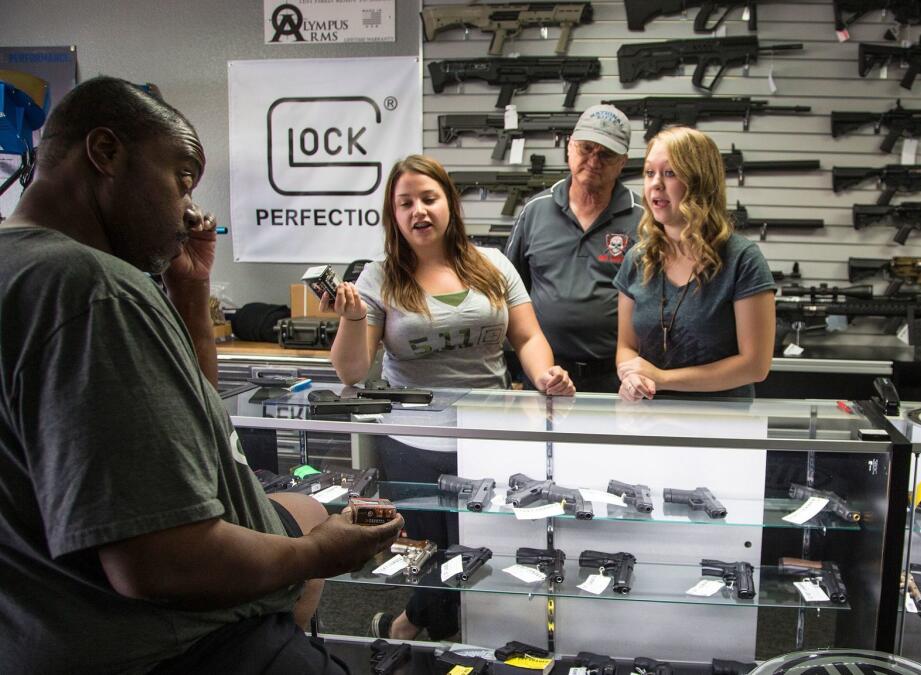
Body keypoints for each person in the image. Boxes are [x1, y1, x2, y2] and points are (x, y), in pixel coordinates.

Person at [0, 76, 404, 674]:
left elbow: (190, 415)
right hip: (175, 643)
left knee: (304, 505)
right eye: (181, 178)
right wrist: (316, 555)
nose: (191, 208)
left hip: (49, 629)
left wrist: (188, 292)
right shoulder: (92, 288)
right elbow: (161, 563)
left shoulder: (24, 265)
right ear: (105, 153)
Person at [322, 154, 575, 642]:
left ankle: (414, 629)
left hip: (490, 433)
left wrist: (546, 376)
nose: (419, 210)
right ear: (393, 216)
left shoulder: (493, 264)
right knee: (435, 551)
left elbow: (527, 337)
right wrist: (352, 319)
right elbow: (351, 371)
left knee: (488, 545)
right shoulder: (380, 276)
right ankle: (428, 635)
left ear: (449, 204)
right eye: (405, 203)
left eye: (428, 198)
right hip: (413, 440)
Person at [614, 126, 776, 401]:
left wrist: (663, 379)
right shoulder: (637, 258)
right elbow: (626, 347)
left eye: (670, 173)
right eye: (649, 173)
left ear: (700, 181)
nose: (655, 184)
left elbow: (755, 366)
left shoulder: (743, 260)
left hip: (720, 429)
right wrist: (632, 375)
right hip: (646, 423)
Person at [506, 104, 642, 393]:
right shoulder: (534, 211)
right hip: (545, 375)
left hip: (617, 379)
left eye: (606, 154)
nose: (594, 161)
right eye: (586, 149)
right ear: (569, 147)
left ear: (623, 162)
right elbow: (510, 291)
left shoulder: (644, 220)